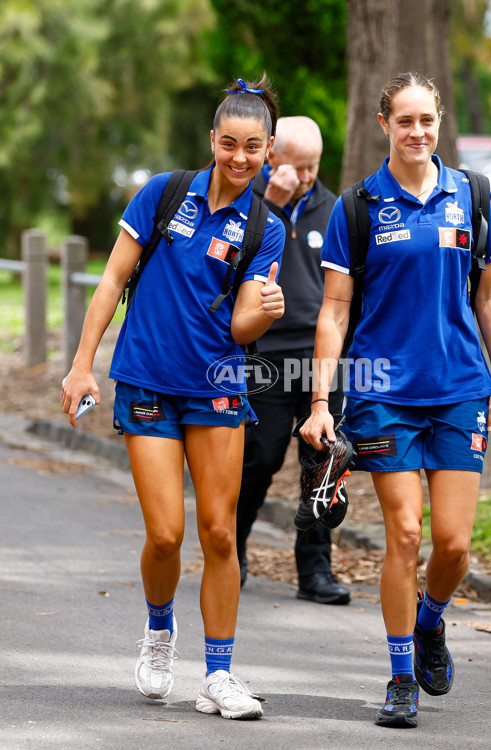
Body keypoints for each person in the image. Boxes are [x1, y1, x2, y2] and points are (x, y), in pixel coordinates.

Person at [61, 76, 286, 720]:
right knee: (166, 534)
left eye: (253, 148)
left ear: (267, 149)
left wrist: (265, 314)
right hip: (148, 379)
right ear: (212, 140)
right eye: (229, 144)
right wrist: (82, 367)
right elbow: (111, 279)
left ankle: (219, 675)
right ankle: (160, 630)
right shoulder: (164, 194)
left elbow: (242, 326)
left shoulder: (264, 226)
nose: (240, 159)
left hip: (215, 388)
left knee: (219, 533)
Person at [300, 72, 491, 729]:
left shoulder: (471, 195)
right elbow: (334, 311)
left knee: (451, 545)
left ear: (440, 121)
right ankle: (399, 677)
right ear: (383, 124)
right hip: (381, 394)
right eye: (405, 121)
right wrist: (319, 402)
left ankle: (430, 623)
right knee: (406, 533)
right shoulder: (359, 206)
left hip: (458, 391)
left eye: (427, 120)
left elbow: (490, 296)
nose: (417, 132)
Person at [236, 116, 350, 605]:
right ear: (273, 159)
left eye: (312, 167)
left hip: (321, 354)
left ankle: (315, 569)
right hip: (268, 353)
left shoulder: (337, 209)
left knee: (323, 464)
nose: (304, 177)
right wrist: (274, 204)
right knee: (258, 458)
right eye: (295, 167)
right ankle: (231, 549)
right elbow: (238, 256)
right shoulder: (250, 203)